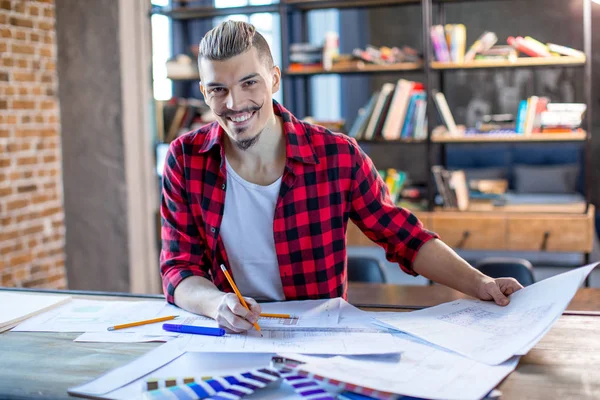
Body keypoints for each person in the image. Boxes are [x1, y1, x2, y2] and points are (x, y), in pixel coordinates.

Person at [160, 21, 523, 334]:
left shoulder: (337, 155)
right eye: (217, 89)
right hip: (234, 336)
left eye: (249, 83)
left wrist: (480, 283)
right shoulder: (185, 159)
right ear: (204, 92)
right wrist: (217, 304)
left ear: (274, 79)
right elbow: (179, 268)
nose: (234, 103)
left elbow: (405, 238)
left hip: (321, 338)